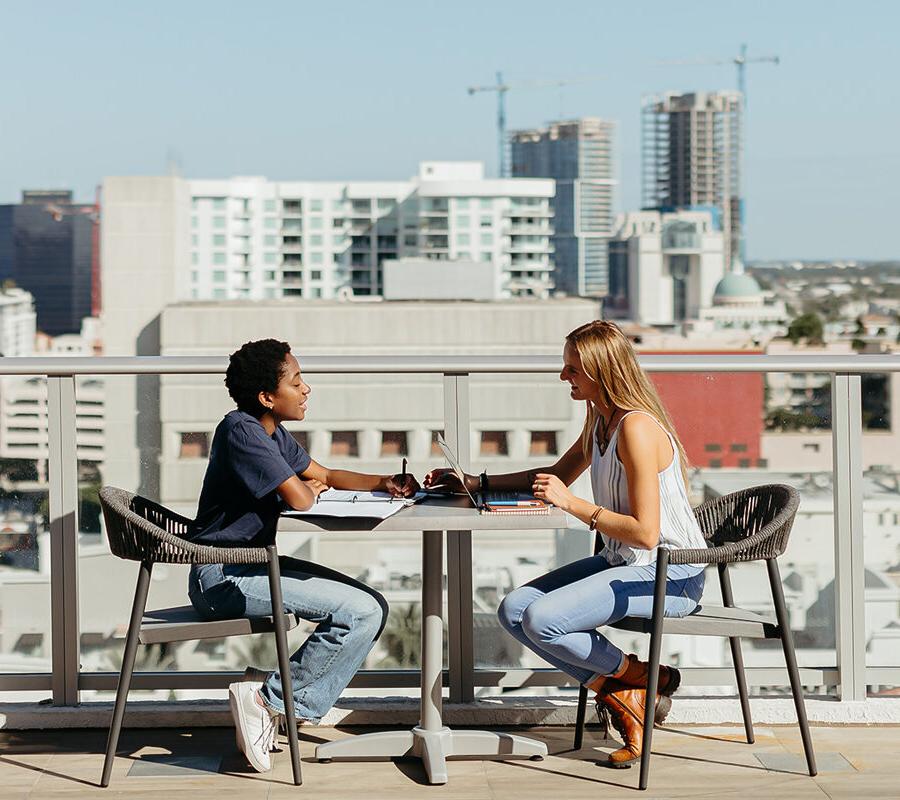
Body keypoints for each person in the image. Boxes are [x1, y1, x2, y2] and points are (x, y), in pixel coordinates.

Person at [424, 320, 706, 768]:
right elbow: (556, 473)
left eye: (572, 369)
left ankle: (641, 679)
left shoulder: (636, 428)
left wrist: (573, 505)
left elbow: (646, 532)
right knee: (514, 609)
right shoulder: (599, 419)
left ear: (600, 371)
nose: (563, 377)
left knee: (542, 619)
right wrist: (476, 482)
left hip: (671, 574)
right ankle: (628, 690)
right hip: (624, 562)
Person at [187, 338, 419, 773]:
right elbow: (301, 497)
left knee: (373, 605)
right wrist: (306, 490)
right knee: (361, 612)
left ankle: (274, 698)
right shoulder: (242, 431)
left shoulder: (271, 432)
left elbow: (324, 475)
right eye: (296, 381)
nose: (306, 388)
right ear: (267, 397)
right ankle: (267, 700)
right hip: (221, 578)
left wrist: (383, 481)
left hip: (253, 564)